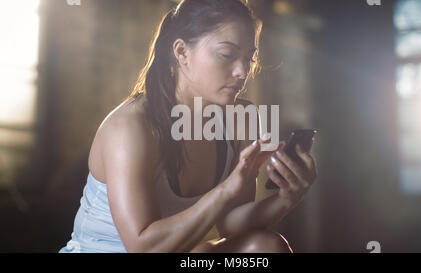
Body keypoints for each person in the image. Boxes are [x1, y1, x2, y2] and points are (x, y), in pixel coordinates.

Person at [59, 0, 317, 253]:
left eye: (249, 58)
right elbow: (143, 248)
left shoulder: (244, 116)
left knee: (266, 247)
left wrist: (286, 199)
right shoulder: (130, 127)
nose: (242, 71)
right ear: (182, 52)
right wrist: (226, 189)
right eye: (227, 55)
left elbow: (228, 225)